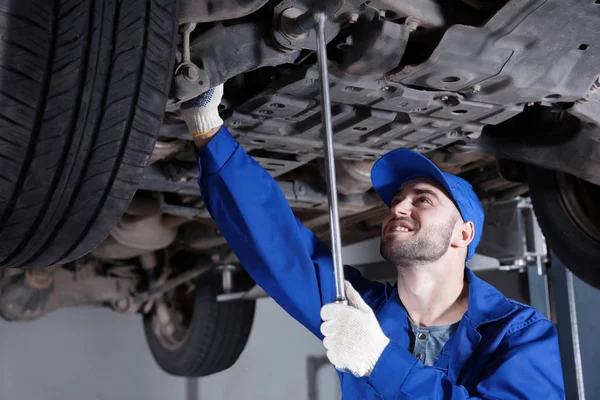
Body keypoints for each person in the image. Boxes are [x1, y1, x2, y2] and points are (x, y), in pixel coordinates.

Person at [180, 84, 565, 399]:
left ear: (463, 233)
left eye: (422, 200)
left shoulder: (519, 333)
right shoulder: (357, 309)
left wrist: (377, 360)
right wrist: (207, 129)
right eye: (397, 200)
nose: (398, 207)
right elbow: (280, 248)